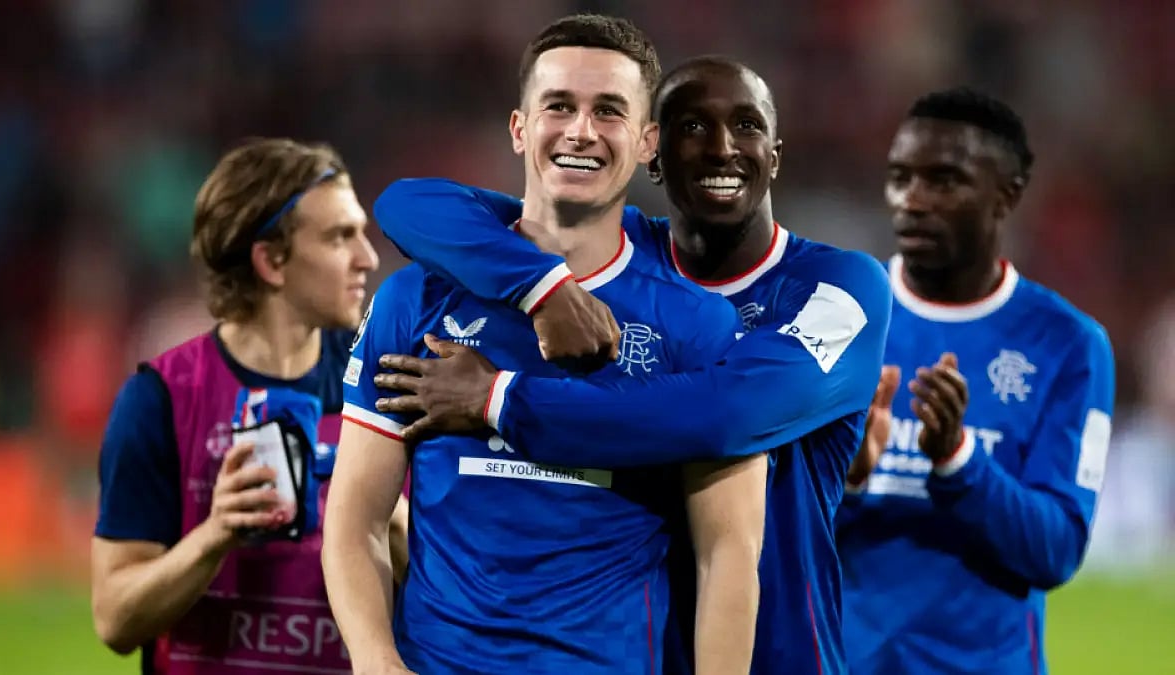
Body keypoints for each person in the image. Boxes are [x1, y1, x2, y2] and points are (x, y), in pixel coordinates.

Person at [369, 56, 891, 675]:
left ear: (774, 155)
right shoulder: (617, 261)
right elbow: (410, 205)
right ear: (653, 152)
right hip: (639, 647)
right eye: (692, 127)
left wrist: (501, 403)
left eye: (747, 126)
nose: (722, 148)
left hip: (785, 652)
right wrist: (548, 290)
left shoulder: (838, 287)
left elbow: (725, 410)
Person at [323, 16, 767, 675]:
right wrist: (376, 659)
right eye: (558, 105)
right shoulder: (415, 301)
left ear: (648, 143)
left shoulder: (697, 326)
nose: (581, 130)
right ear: (519, 128)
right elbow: (356, 518)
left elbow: (726, 553)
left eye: (609, 111)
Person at [836, 87, 1116, 674]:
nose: (912, 201)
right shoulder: (840, 317)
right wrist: (846, 480)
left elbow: (1056, 551)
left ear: (1006, 196)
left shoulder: (1069, 344)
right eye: (899, 177)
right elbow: (763, 534)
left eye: (943, 181)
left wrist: (958, 460)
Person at [90, 138, 393, 674]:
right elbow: (115, 619)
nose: (367, 257)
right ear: (271, 260)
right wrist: (216, 534)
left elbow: (453, 593)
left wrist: (381, 515)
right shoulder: (161, 400)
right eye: (340, 236)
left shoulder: (385, 389)